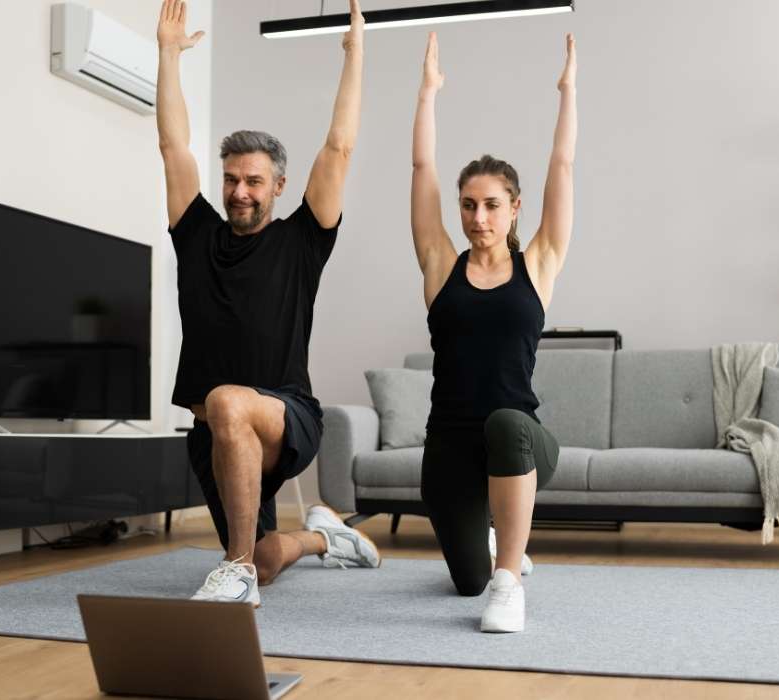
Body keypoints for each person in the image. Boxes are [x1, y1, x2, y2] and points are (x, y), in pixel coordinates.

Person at [155, 0, 379, 607]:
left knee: (230, 399)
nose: (240, 191)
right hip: (215, 433)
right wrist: (169, 56)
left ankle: (235, 570)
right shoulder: (197, 234)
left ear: (277, 186)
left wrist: (354, 54)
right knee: (265, 555)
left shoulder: (301, 240)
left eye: (254, 181)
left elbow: (338, 148)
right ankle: (323, 538)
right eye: (231, 179)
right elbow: (174, 146)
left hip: (288, 415)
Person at [409, 31, 577, 633]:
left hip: (520, 439)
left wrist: (568, 91)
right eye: (467, 205)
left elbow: (562, 164)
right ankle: (499, 548)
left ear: (514, 209)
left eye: (490, 204)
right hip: (448, 444)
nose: (477, 217)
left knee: (505, 422)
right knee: (463, 582)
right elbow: (423, 165)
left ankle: (509, 582)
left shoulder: (539, 263)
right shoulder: (438, 265)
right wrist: (427, 93)